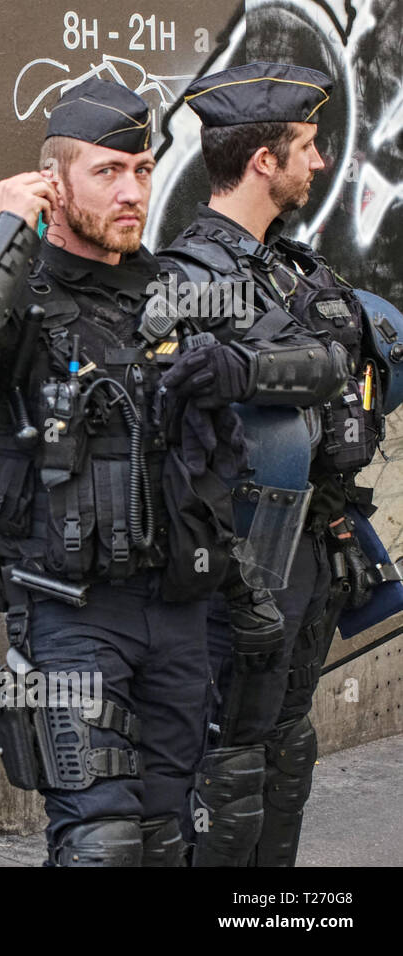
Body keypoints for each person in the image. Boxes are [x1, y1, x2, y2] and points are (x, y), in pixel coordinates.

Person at [0, 77, 344, 865]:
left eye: (142, 168)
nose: (133, 190)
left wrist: (234, 367)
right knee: (101, 845)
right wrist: (4, 225)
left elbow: (322, 361)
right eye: (108, 172)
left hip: (181, 609)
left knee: (166, 838)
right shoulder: (17, 300)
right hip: (69, 615)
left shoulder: (180, 289)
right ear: (54, 181)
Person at [159, 62, 370, 866]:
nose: (319, 162)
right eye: (307, 147)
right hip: (242, 565)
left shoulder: (294, 267)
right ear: (262, 161)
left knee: (286, 750)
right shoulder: (187, 278)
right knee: (230, 761)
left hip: (313, 551)